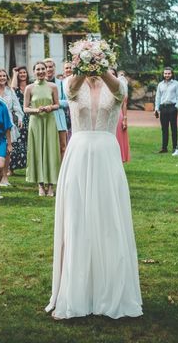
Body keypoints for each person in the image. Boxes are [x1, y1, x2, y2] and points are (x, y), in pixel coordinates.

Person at [46, 69, 142, 320]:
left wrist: (101, 67)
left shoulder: (117, 83)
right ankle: (75, 294)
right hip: (78, 155)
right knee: (77, 222)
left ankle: (110, 293)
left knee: (109, 222)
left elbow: (119, 92)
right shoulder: (71, 81)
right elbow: (71, 91)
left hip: (107, 156)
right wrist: (83, 66)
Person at [24, 61, 61, 197]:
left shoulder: (53, 86)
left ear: (46, 71)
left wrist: (50, 107)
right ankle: (40, 184)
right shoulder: (29, 88)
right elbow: (25, 108)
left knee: (51, 150)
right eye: (37, 69)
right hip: (36, 121)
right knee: (37, 151)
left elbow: (57, 104)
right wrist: (35, 110)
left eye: (42, 69)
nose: (40, 71)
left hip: (50, 121)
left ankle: (51, 185)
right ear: (34, 72)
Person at [0, 68, 23, 186]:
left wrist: (19, 118)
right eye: (0, 76)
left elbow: (17, 106)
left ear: (7, 78)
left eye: (4, 76)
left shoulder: (10, 91)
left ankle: (5, 177)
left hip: (8, 123)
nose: (2, 78)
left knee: (7, 151)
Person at [44, 58, 69, 160]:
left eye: (51, 66)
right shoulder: (38, 84)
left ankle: (62, 172)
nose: (48, 69)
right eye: (46, 67)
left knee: (62, 146)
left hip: (59, 118)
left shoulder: (61, 83)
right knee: (47, 147)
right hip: (45, 118)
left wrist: (55, 103)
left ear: (54, 68)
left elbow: (67, 102)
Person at [154, 67, 178, 153]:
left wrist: (176, 107)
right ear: (163, 74)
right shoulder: (160, 84)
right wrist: (156, 109)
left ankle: (175, 147)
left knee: (173, 128)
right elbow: (158, 97)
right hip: (163, 108)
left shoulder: (176, 84)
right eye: (165, 73)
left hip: (172, 107)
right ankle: (164, 148)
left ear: (172, 74)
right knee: (164, 129)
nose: (167, 75)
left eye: (169, 73)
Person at [9, 66, 30, 173]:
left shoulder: (31, 86)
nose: (22, 74)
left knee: (28, 142)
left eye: (24, 72)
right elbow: (12, 88)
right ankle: (12, 168)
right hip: (19, 117)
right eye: (20, 73)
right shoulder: (15, 88)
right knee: (17, 141)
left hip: (30, 116)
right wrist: (14, 73)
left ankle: (29, 167)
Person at [112, 69, 130, 162]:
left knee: (118, 138)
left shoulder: (120, 88)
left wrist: (125, 118)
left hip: (118, 115)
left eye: (113, 74)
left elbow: (124, 104)